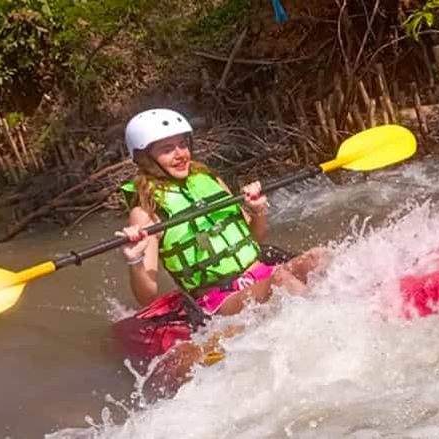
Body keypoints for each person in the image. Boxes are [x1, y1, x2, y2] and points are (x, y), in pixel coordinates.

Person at [113, 108, 327, 375]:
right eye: (167, 149)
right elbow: (146, 294)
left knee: (319, 256)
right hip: (219, 298)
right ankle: (326, 335)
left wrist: (258, 211)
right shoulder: (146, 211)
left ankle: (357, 302)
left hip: (258, 273)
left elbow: (254, 239)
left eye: (182, 144)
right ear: (145, 158)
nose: (180, 154)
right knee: (282, 279)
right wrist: (134, 259)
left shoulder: (209, 180)